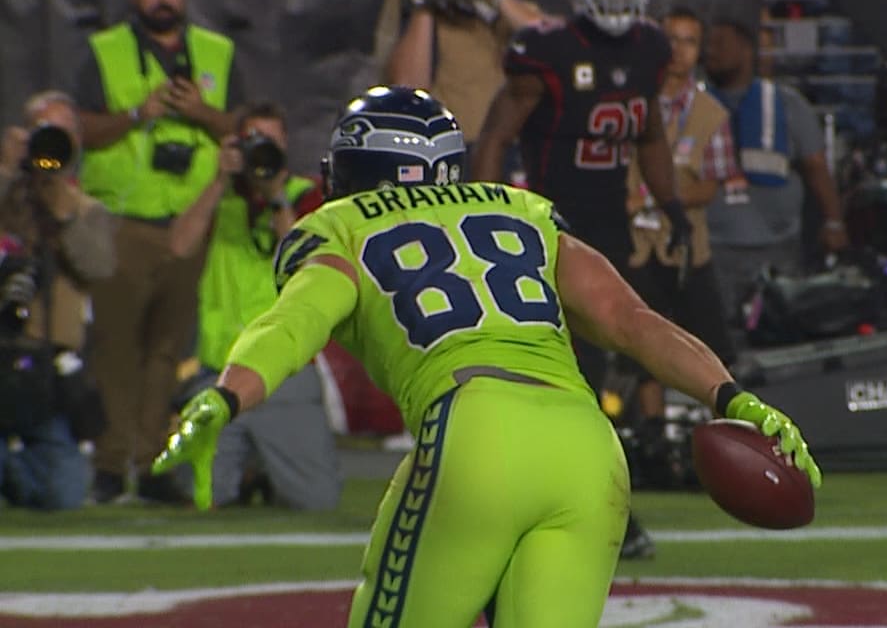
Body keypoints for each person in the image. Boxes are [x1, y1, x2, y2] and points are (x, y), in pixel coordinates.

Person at [150, 85, 820, 628]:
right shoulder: (520, 208)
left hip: (476, 430)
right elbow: (632, 321)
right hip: (587, 449)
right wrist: (732, 396)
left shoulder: (340, 225)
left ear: (350, 173)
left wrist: (228, 391)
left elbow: (294, 320)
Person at [467, 0, 691, 557]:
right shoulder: (548, 50)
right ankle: (592, 510)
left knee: (591, 373)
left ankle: (583, 506)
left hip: (607, 233)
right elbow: (495, 137)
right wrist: (487, 216)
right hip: (546, 232)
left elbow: (647, 134)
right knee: (562, 377)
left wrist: (670, 201)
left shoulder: (649, 47)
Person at [73, 0, 244, 504]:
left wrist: (200, 113)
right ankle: (110, 462)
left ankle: (149, 464)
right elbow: (81, 131)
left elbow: (245, 128)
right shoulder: (105, 52)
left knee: (168, 352)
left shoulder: (218, 52)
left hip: (190, 223)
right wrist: (135, 115)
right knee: (116, 350)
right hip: (124, 222)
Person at [167, 102, 339, 509]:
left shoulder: (306, 195)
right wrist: (218, 180)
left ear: (286, 145)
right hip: (219, 373)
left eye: (271, 142)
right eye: (253, 142)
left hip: (286, 371)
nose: (262, 151)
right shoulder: (217, 197)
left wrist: (275, 196)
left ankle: (263, 464)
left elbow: (305, 263)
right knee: (200, 496)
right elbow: (178, 246)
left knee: (316, 500)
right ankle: (248, 470)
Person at [624, 7, 739, 486]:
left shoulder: (711, 113)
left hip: (687, 244)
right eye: (671, 39)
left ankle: (724, 445)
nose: (679, 50)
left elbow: (711, 185)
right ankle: (651, 444)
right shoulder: (629, 103)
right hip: (634, 243)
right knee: (641, 349)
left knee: (712, 345)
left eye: (690, 41)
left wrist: (651, 194)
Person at [0, 91, 116, 510]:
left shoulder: (86, 210)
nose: (50, 144)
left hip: (48, 367)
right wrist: (9, 170)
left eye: (61, 134)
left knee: (64, 494)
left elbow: (98, 266)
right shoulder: (5, 193)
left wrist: (60, 208)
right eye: (42, 132)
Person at [701, 16, 850, 323]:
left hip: (779, 247)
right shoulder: (692, 104)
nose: (710, 52)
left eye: (720, 43)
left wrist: (834, 222)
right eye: (707, 44)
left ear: (746, 50)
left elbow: (816, 167)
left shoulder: (787, 102)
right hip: (714, 251)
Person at [385, 0, 545, 142]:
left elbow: (549, 41)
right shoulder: (437, 16)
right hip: (456, 146)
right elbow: (408, 88)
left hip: (514, 150)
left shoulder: (525, 13)